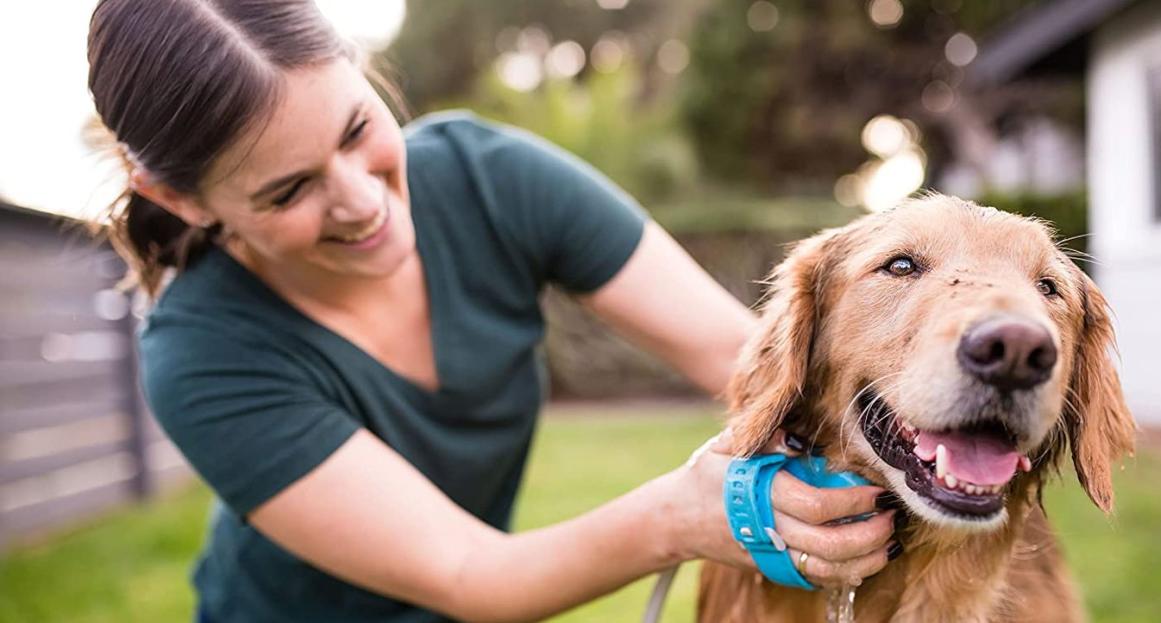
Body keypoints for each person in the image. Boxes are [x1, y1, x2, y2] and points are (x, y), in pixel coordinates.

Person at [86, 1, 899, 621]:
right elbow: (469, 572)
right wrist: (680, 514)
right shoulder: (200, 353)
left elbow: (749, 359)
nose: (363, 201)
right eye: (290, 190)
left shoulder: (491, 179)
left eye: (357, 128)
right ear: (178, 199)